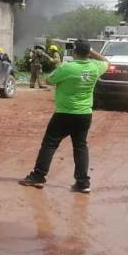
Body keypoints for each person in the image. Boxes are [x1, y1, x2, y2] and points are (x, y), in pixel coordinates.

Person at [19, 39, 109, 193]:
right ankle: (82, 183)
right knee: (80, 147)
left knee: (49, 144)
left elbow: (49, 79)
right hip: (84, 114)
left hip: (64, 113)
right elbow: (106, 60)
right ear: (88, 52)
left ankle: (38, 176)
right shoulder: (96, 67)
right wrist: (91, 51)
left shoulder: (67, 68)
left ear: (73, 52)